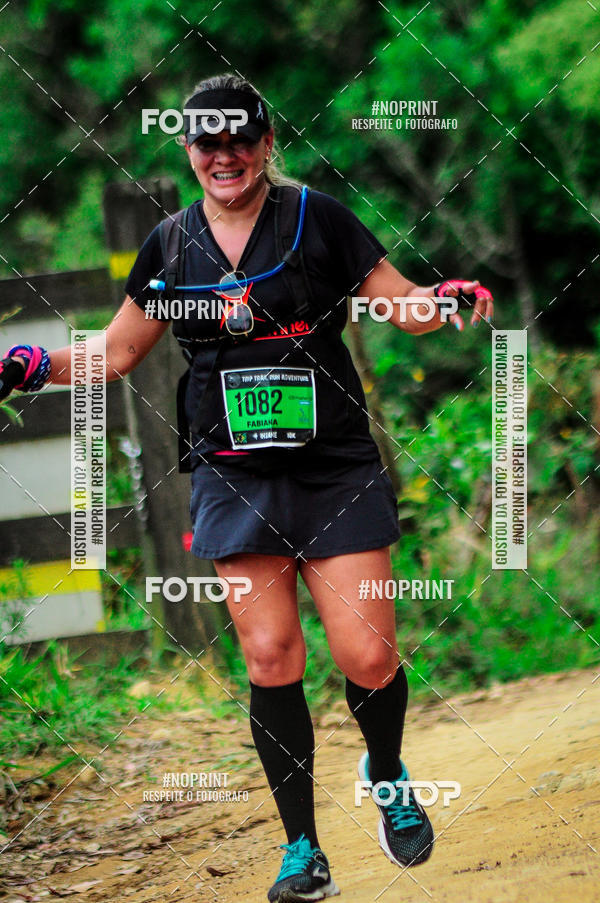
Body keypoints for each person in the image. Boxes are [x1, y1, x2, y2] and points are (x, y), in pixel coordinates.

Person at [0, 74, 494, 903]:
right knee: (271, 656)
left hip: (332, 463)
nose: (224, 156)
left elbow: (397, 303)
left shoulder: (318, 219)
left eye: (240, 140)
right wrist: (28, 366)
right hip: (234, 472)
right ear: (188, 152)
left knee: (367, 653)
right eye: (207, 142)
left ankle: (385, 771)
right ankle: (302, 847)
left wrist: (441, 302)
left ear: (267, 145)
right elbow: (117, 353)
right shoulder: (169, 244)